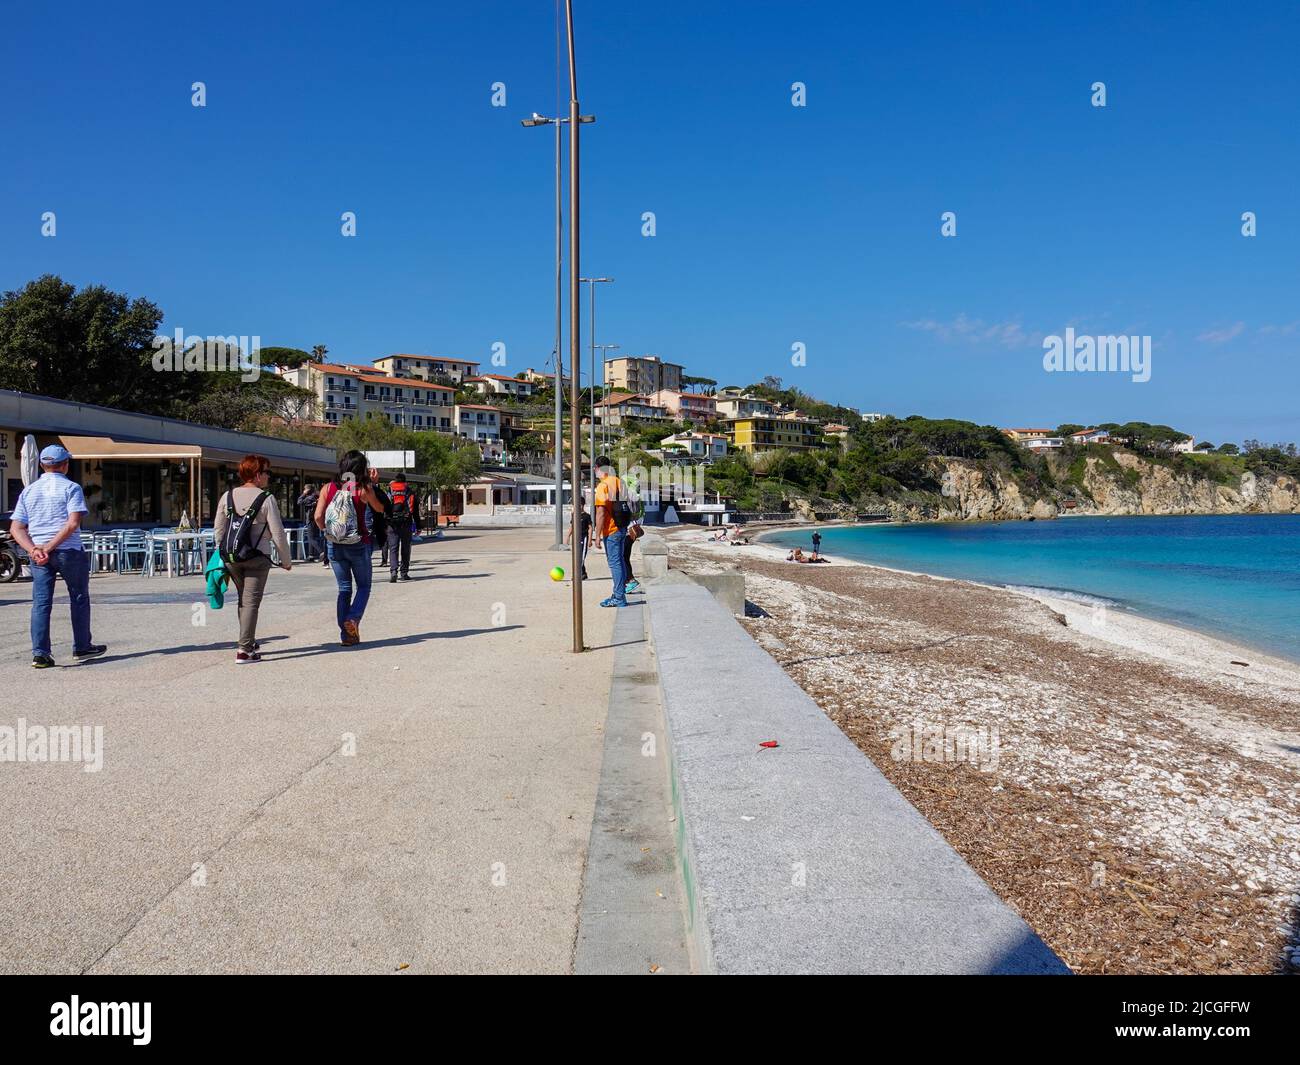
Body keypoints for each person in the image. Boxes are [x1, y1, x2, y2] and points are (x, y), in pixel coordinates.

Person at [9, 445, 106, 668]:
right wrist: (51, 546)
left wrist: (34, 549)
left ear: (42, 465)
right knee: (78, 597)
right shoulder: (71, 488)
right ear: (65, 465)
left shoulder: (29, 491)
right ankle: (82, 646)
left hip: (39, 553)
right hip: (68, 550)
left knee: (41, 603)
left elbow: (16, 528)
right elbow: (73, 523)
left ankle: (40, 654)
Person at [213, 454, 293, 663]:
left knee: (243, 599)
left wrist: (222, 553)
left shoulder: (227, 496)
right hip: (258, 557)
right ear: (258, 475)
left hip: (232, 556)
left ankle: (248, 640)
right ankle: (244, 649)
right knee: (251, 602)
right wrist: (286, 560)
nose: (269, 477)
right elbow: (277, 533)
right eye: (267, 472)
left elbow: (219, 530)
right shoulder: (266, 498)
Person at [316, 451, 388, 645]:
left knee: (344, 589)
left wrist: (328, 532)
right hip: (358, 543)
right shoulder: (363, 489)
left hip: (335, 545)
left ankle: (347, 636)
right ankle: (353, 619)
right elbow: (380, 508)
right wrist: (373, 484)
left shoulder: (328, 488)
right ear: (361, 469)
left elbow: (317, 516)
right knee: (364, 586)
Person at [593, 456, 629, 608]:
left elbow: (600, 512)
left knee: (614, 563)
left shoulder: (603, 486)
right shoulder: (619, 481)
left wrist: (597, 535)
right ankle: (619, 594)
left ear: (598, 468)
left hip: (611, 529)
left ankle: (619, 597)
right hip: (622, 527)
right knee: (620, 561)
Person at [385, 474, 420, 583]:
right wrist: (418, 526)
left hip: (392, 524)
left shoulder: (389, 491)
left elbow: (383, 508)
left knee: (393, 548)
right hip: (406, 523)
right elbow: (415, 511)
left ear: (395, 481)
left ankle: (393, 571)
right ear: (405, 481)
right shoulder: (409, 491)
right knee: (406, 548)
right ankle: (404, 573)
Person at [564, 504, 593, 580]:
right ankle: (583, 574)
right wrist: (568, 537)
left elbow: (590, 528)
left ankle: (577, 575)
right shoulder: (574, 515)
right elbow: (572, 526)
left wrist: (590, 540)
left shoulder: (587, 516)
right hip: (576, 538)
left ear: (582, 505)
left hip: (584, 538)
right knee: (576, 556)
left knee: (581, 558)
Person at [370, 470, 392, 568]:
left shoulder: (357, 488)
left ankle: (382, 560)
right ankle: (384, 560)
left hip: (370, 519)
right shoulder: (374, 490)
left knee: (371, 540)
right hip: (378, 518)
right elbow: (386, 504)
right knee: (382, 540)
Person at [297, 483, 322, 561]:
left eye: (305, 489)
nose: (304, 490)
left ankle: (322, 552)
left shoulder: (309, 498)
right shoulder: (315, 497)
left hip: (310, 520)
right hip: (315, 519)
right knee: (313, 537)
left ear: (308, 490)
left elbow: (299, 502)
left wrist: (304, 494)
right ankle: (311, 556)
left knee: (311, 538)